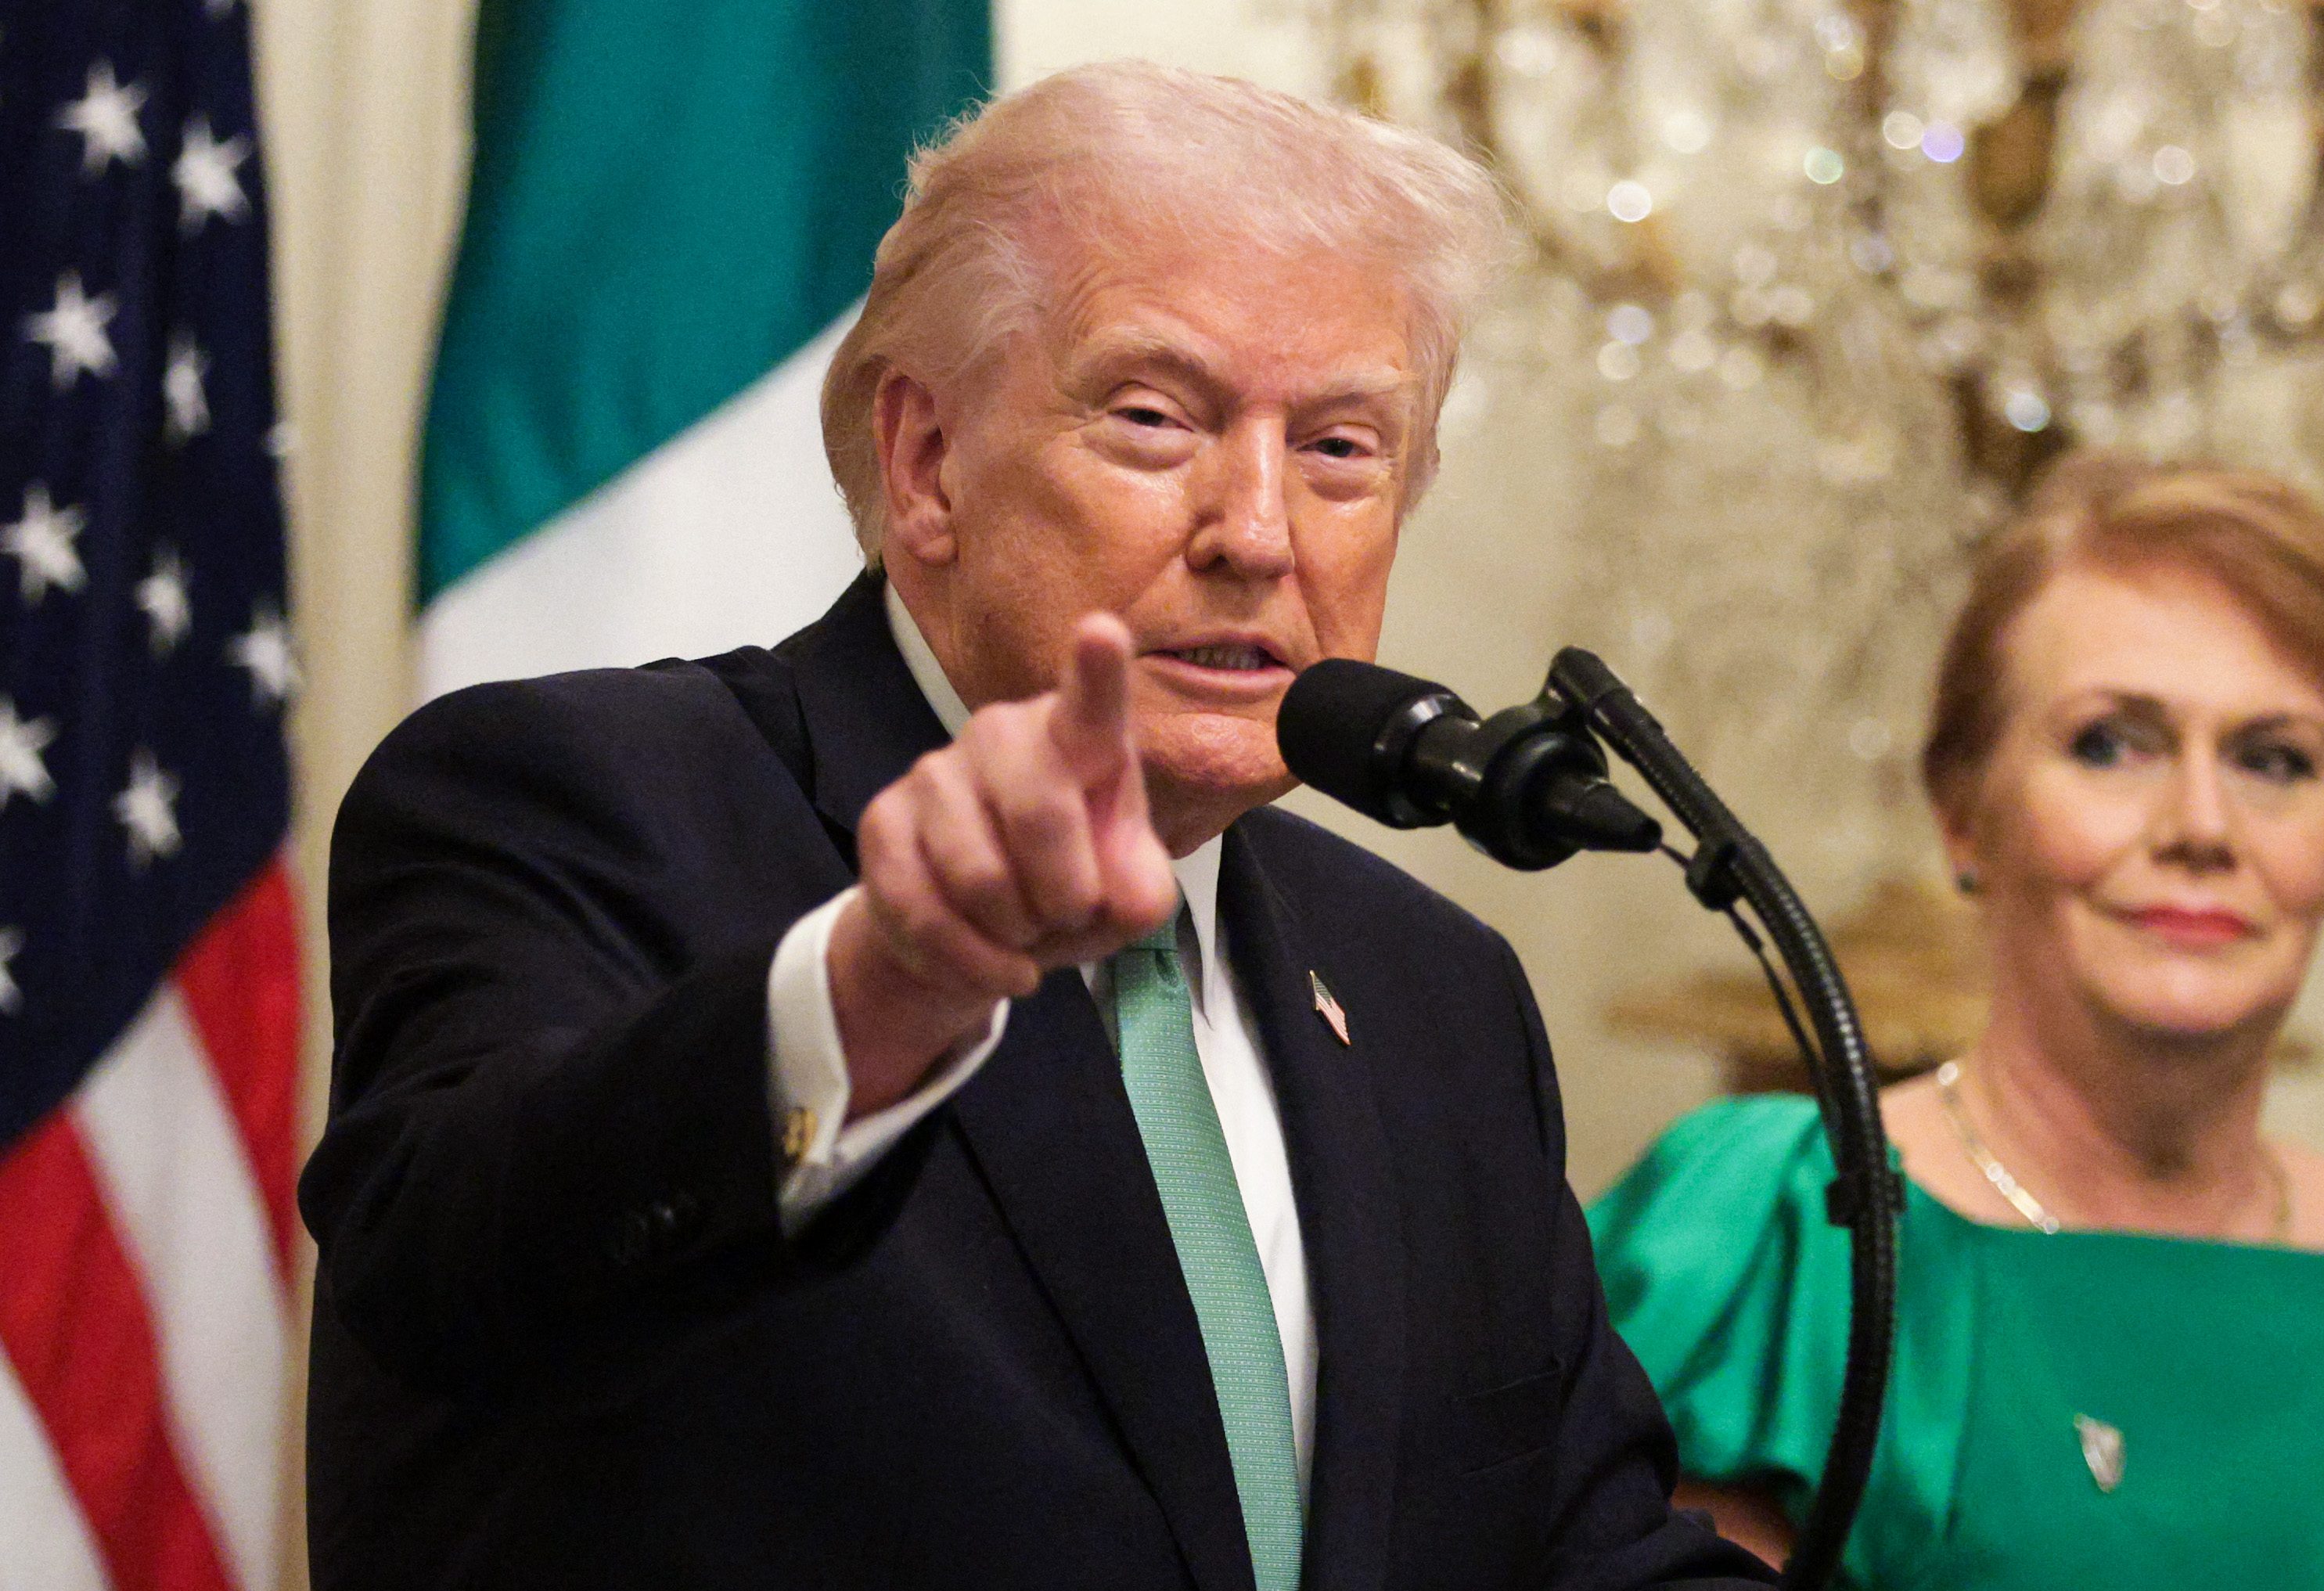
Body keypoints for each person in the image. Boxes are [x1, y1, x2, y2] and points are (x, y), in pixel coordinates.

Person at [301, 63, 1771, 1591]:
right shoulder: (576, 801)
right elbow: (448, 1282)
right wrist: (880, 996)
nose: (1257, 532)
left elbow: (1583, 1555)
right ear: (926, 460)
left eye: (1339, 447)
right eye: (1153, 418)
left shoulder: (1432, 993)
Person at [1588, 452, 2324, 1589]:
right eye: (2110, 743)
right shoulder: (1781, 1243)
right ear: (1963, 816)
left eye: (2273, 759)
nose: (2200, 823)